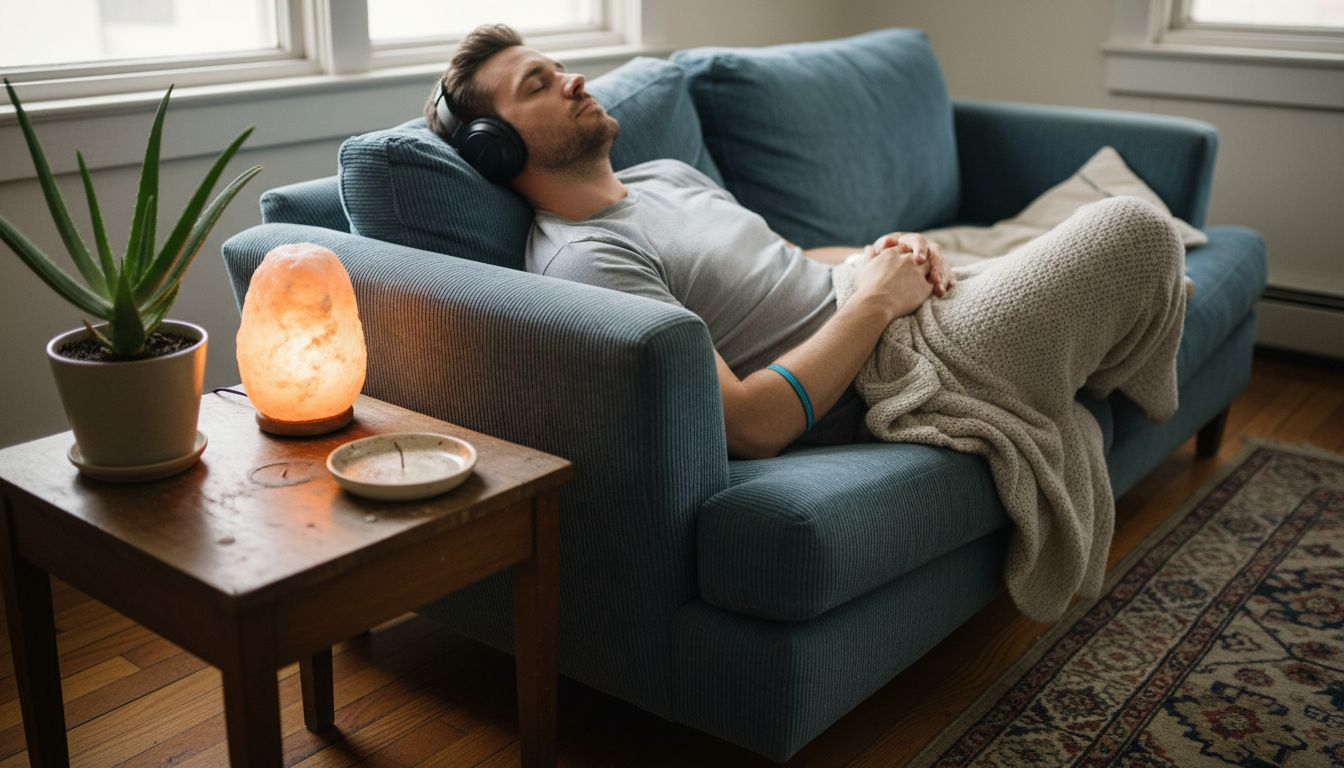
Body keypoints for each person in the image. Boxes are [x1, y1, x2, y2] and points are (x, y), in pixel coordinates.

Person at [423, 24, 1186, 464]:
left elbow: (785, 259)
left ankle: (1077, 367)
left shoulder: (661, 176)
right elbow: (750, 425)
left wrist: (882, 254)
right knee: (1134, 230)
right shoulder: (586, 260)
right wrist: (879, 303)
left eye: (557, 67)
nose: (576, 79)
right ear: (498, 150)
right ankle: (1091, 374)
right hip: (891, 371)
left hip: (890, 309)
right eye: (538, 86)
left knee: (1159, 280)